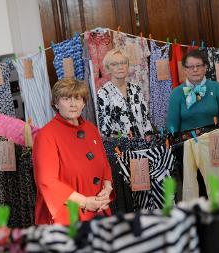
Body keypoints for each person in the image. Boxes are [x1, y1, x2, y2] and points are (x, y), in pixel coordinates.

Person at [33, 78, 113, 225]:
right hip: (68, 216)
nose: (73, 104)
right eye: (66, 98)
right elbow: (47, 182)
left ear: (84, 103)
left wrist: (107, 189)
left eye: (78, 98)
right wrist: (85, 202)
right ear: (56, 103)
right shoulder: (46, 136)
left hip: (99, 210)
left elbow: (105, 166)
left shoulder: (91, 130)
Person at [166, 50, 219, 132]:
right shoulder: (176, 93)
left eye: (199, 65)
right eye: (190, 67)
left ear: (205, 68)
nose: (195, 69)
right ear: (185, 69)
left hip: (214, 141)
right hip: (187, 143)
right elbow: (171, 126)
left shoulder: (217, 88)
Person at [97, 49, 152, 137]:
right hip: (120, 147)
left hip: (143, 145)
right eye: (114, 64)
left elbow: (146, 119)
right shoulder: (104, 93)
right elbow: (106, 129)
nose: (120, 67)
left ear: (128, 65)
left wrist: (148, 139)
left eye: (123, 63)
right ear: (108, 68)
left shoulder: (136, 89)